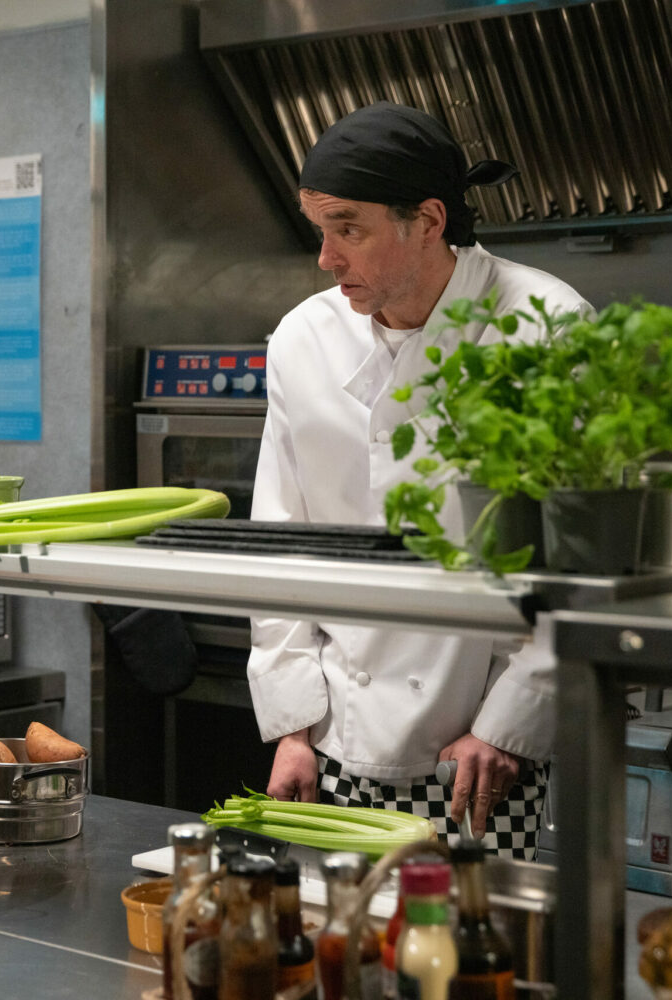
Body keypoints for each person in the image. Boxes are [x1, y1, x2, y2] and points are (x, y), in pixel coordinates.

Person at [247, 102, 591, 860]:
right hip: (331, 742)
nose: (326, 260)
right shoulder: (304, 337)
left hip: (479, 751)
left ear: (428, 221)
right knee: (342, 950)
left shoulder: (545, 328)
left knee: (468, 960)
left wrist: (510, 726)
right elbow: (281, 539)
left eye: (349, 229)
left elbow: (580, 564)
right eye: (320, 230)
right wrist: (294, 727)